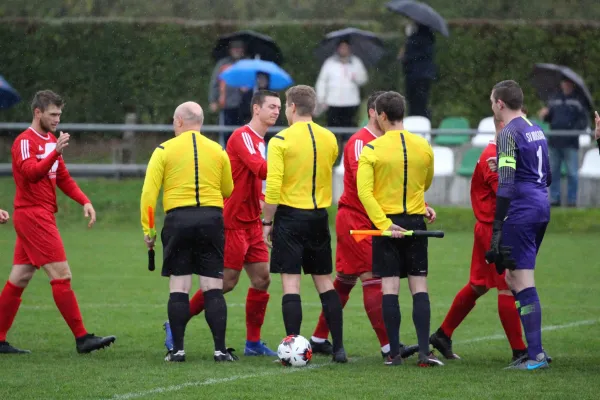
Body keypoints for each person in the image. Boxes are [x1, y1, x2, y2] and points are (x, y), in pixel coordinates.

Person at [163, 91, 281, 357]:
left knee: (262, 279)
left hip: (252, 222)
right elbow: (261, 169)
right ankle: (175, 322)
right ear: (255, 109)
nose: (276, 111)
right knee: (225, 283)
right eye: (271, 106)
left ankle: (252, 344)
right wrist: (294, 161)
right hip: (232, 222)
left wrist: (263, 202)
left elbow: (261, 181)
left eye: (279, 107)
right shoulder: (242, 136)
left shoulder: (264, 142)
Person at [0, 90, 115, 355]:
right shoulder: (24, 142)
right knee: (62, 276)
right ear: (37, 113)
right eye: (52, 114)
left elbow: (62, 177)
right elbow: (31, 174)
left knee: (20, 277)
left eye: (59, 114)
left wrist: (84, 201)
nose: (57, 119)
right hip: (33, 216)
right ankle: (82, 338)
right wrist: (55, 153)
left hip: (37, 215)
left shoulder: (51, 140)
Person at [309, 91, 422, 360]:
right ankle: (388, 347)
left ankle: (317, 338)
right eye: (382, 113)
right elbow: (365, 189)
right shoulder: (361, 143)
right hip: (356, 220)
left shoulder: (384, 141)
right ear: (373, 113)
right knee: (374, 278)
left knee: (345, 281)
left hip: (367, 219)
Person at [141, 101, 236, 363]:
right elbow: (228, 189)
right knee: (212, 286)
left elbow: (149, 194)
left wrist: (148, 230)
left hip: (178, 219)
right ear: (201, 122)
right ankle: (219, 350)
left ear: (179, 121)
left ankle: (178, 350)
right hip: (211, 219)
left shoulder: (163, 150)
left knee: (179, 286)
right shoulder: (218, 150)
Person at [429, 115, 528, 363]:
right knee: (508, 286)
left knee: (479, 285)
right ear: (504, 127)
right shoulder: (492, 158)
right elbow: (508, 195)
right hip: (493, 230)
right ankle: (520, 351)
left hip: (489, 227)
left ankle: (442, 334)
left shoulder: (501, 155)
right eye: (519, 124)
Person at [262, 85, 347, 363]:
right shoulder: (330, 138)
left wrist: (267, 221)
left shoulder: (280, 140)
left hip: (290, 216)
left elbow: (273, 187)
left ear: (292, 107)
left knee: (291, 284)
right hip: (318, 216)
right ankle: (339, 349)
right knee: (324, 282)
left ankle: (293, 349)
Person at [357, 91, 442, 367]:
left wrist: (384, 224)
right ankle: (424, 354)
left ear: (381, 116)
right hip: (416, 222)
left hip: (388, 223)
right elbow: (424, 183)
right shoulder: (424, 146)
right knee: (419, 286)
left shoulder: (372, 150)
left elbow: (365, 193)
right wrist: (420, 204)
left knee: (390, 287)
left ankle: (394, 354)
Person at [486, 80, 551, 370]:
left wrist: (497, 225)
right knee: (514, 278)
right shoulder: (534, 128)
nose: (492, 106)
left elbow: (507, 185)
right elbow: (546, 175)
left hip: (522, 209)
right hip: (541, 204)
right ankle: (534, 350)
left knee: (521, 279)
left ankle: (535, 355)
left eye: (491, 101)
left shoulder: (508, 133)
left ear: (500, 103)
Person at [537, 77, 589, 207]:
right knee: (554, 171)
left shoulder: (578, 100)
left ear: (572, 84)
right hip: (555, 141)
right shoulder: (554, 99)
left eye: (568, 83)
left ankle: (572, 201)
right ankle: (555, 199)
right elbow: (550, 119)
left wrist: (571, 131)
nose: (566, 85)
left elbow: (583, 121)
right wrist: (545, 115)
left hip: (570, 143)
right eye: (564, 82)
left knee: (572, 173)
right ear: (561, 84)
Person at [315, 40, 368, 127]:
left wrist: (356, 77)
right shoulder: (329, 63)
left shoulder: (356, 62)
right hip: (332, 102)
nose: (343, 50)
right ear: (338, 49)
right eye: (341, 47)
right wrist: (321, 98)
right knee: (332, 127)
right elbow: (322, 81)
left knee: (348, 127)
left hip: (351, 102)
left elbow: (363, 80)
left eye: (345, 47)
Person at [209, 40, 247, 144]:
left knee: (242, 135)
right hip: (226, 104)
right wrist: (213, 100)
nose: (237, 51)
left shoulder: (247, 64)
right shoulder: (223, 64)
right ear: (230, 50)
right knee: (226, 133)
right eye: (235, 48)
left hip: (244, 107)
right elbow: (215, 83)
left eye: (239, 49)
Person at [399, 23, 436, 119]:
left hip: (416, 76)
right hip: (420, 75)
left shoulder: (419, 38)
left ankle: (418, 123)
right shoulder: (427, 38)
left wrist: (406, 56)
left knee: (417, 105)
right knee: (419, 104)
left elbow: (415, 56)